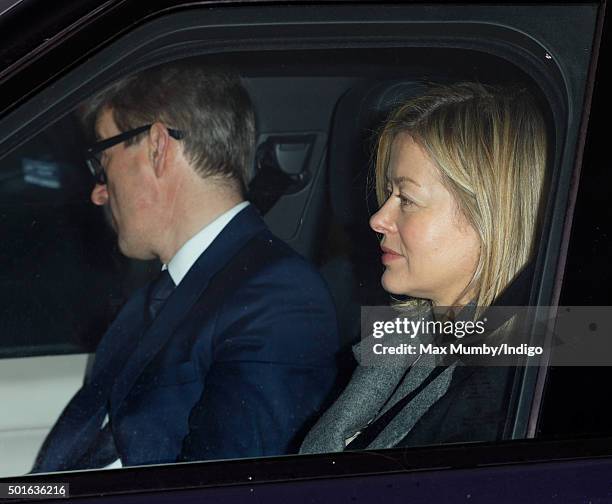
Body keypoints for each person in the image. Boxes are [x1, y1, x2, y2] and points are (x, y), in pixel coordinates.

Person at [33, 63, 339, 472]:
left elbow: (225, 488)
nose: (98, 194)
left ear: (158, 147)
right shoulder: (154, 298)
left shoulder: (279, 298)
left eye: (102, 164)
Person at [300, 82, 547, 453]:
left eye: (407, 199)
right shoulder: (410, 341)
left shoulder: (510, 392)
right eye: (388, 194)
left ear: (490, 217)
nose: (378, 219)